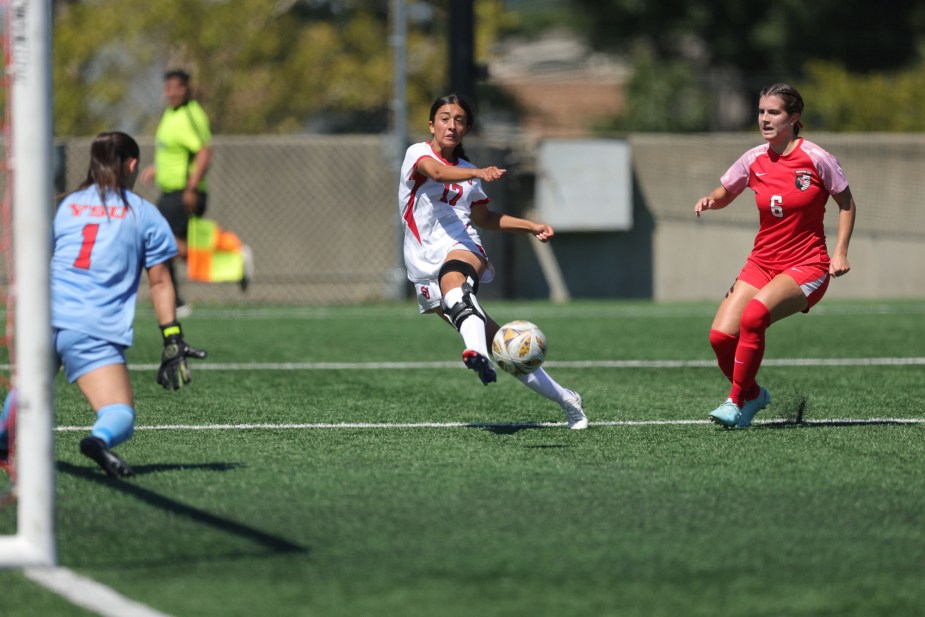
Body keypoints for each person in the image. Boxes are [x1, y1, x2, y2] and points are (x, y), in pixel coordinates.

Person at [0, 132, 207, 476]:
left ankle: (4, 441)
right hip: (90, 326)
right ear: (132, 165)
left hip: (43, 316)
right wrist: (172, 336)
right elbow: (160, 282)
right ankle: (98, 440)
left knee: (28, 387)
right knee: (119, 413)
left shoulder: (68, 206)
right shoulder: (144, 213)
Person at [397, 94, 588, 429]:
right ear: (431, 124)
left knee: (454, 283)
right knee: (505, 347)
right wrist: (480, 172)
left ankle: (476, 355)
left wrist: (530, 226)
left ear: (466, 128)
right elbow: (438, 173)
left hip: (462, 246)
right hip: (422, 265)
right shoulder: (419, 154)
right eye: (444, 118)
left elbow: (484, 219)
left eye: (459, 120)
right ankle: (567, 399)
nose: (451, 125)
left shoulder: (471, 172)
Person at [694, 83, 857, 428]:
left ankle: (735, 402)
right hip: (761, 263)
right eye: (761, 112)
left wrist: (840, 253)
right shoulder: (754, 159)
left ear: (794, 119)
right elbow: (726, 191)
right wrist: (711, 199)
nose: (764, 119)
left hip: (806, 265)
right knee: (721, 337)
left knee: (753, 317)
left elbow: (846, 202)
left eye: (774, 113)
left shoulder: (817, 158)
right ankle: (752, 394)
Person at [141, 69, 251, 316]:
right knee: (166, 246)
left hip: (184, 192)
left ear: (187, 89)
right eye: (168, 87)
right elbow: (176, 152)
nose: (171, 92)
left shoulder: (192, 114)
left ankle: (230, 258)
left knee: (161, 243)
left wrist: (191, 187)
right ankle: (231, 261)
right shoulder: (170, 114)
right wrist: (157, 168)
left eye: (177, 87)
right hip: (170, 190)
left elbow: (204, 152)